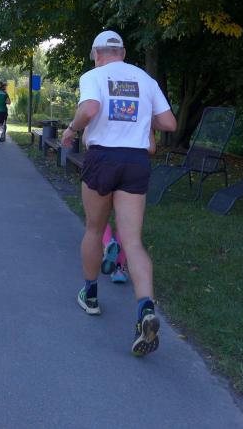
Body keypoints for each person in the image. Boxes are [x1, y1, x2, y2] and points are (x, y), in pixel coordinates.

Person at [61, 30, 176, 357]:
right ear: (123, 53)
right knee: (133, 241)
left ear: (97, 54)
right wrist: (142, 119)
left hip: (103, 159)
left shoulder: (94, 76)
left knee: (94, 229)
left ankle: (91, 295)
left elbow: (90, 109)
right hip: (136, 162)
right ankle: (145, 309)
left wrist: (72, 129)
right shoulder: (146, 80)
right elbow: (169, 122)